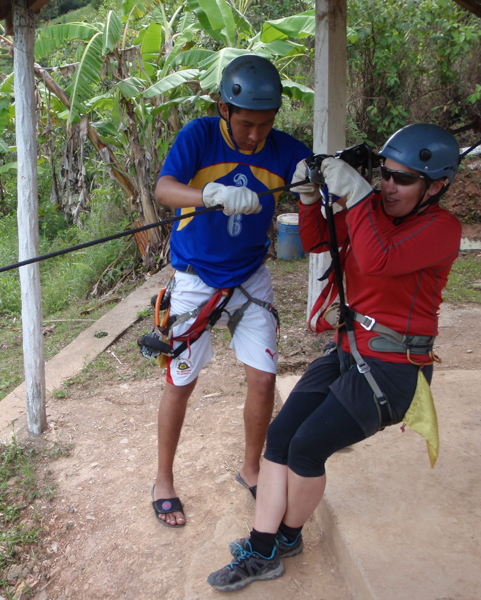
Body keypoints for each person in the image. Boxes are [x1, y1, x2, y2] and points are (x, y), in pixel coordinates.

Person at [206, 123, 462, 590]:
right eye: (385, 174)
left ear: (436, 186)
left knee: (307, 447)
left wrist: (358, 196)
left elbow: (379, 259)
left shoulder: (442, 229)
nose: (389, 186)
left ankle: (283, 539)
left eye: (403, 180)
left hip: (393, 368)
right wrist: (309, 199)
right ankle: (264, 547)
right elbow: (317, 242)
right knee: (280, 437)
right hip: (348, 349)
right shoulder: (375, 211)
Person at [150, 54, 312, 527]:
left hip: (249, 277)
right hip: (195, 277)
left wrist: (315, 186)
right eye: (246, 124)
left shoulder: (286, 150)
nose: (256, 135)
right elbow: (164, 189)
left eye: (266, 124)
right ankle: (163, 479)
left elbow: (319, 186)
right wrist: (209, 195)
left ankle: (251, 468)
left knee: (263, 379)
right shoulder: (198, 136)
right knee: (181, 382)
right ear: (224, 109)